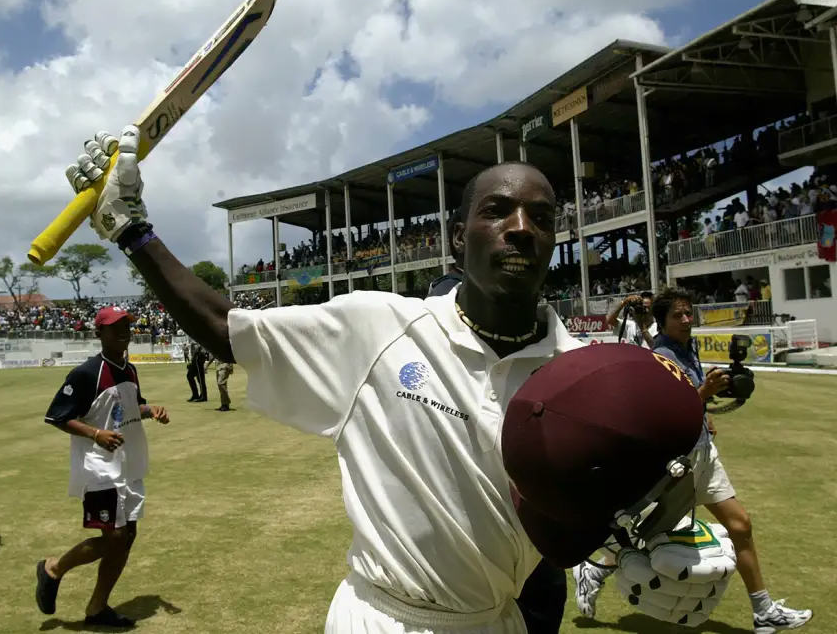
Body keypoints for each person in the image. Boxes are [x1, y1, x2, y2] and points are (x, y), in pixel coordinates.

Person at [60, 127, 729, 633]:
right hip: (382, 618)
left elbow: (598, 516)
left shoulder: (578, 371)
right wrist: (130, 227)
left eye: (543, 217)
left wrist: (658, 549)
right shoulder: (379, 327)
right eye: (498, 211)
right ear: (457, 233)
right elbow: (225, 326)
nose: (521, 229)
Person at [573, 287, 813, 634]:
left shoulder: (689, 348)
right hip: (677, 462)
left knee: (740, 525)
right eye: (678, 316)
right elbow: (662, 413)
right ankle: (594, 570)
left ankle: (764, 611)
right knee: (650, 533)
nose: (687, 320)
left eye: (689, 313)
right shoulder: (660, 358)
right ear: (662, 322)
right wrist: (703, 395)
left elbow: (690, 401)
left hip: (702, 452)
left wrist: (704, 409)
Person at [425, 215, 566, 634]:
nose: (520, 230)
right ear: (459, 241)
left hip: (532, 540)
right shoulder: (435, 306)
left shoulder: (559, 349)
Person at [35, 305, 169, 628]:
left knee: (127, 535)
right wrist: (95, 433)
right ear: (99, 333)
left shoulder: (130, 369)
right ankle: (53, 568)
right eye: (115, 326)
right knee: (114, 538)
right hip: (99, 468)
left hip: (129, 465)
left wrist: (151, 410)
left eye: (127, 324)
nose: (123, 331)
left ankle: (97, 607)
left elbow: (129, 405)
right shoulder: (86, 373)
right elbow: (57, 416)